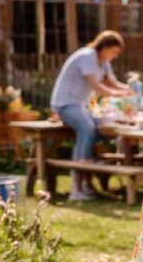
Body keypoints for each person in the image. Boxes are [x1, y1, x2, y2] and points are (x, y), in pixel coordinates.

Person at [50, 30, 131, 202]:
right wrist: (119, 95)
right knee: (87, 129)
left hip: (80, 105)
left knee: (99, 128)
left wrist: (130, 89)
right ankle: (77, 185)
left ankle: (87, 182)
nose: (114, 56)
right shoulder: (88, 56)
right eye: (114, 52)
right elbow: (97, 87)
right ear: (105, 46)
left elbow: (112, 83)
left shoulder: (103, 62)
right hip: (65, 104)